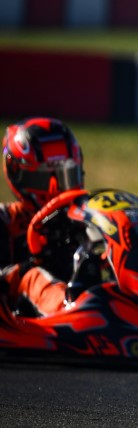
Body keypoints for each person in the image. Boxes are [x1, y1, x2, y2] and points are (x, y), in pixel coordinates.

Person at [1, 117, 85, 317]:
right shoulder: (6, 219)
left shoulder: (85, 217)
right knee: (31, 276)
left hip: (86, 296)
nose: (56, 190)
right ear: (17, 173)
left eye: (65, 175)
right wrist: (29, 266)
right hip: (19, 317)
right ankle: (72, 312)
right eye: (43, 178)